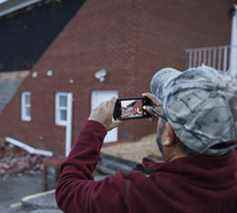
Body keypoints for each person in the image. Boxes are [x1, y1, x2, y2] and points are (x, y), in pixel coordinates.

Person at [55, 66, 237, 213]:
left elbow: (68, 191)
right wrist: (168, 114)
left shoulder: (138, 194)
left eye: (163, 119)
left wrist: (95, 128)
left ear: (169, 136)